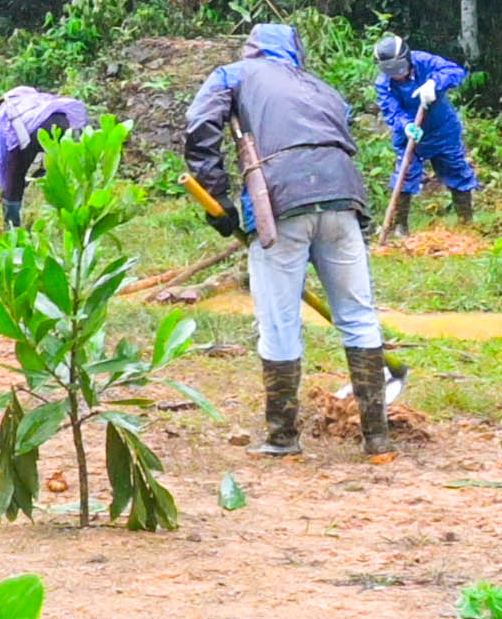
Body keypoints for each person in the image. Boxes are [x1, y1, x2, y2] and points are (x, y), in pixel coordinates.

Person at [184, 24, 386, 456]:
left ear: (253, 50)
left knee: (278, 323)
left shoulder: (232, 74)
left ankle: (282, 437)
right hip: (343, 196)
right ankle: (378, 438)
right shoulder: (323, 88)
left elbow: (201, 125)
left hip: (279, 199)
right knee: (358, 314)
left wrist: (217, 199)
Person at [370, 33, 478, 231]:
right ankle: (399, 227)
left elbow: (456, 72)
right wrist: (406, 126)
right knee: (405, 175)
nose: (396, 74)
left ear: (407, 58)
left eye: (398, 67)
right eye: (389, 69)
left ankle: (466, 223)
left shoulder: (424, 62)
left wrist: (434, 83)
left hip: (441, 129)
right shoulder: (384, 83)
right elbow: (391, 110)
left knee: (455, 169)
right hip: (410, 134)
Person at [0, 85, 93, 230]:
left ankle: (12, 227)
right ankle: (75, 222)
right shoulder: (38, 99)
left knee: (15, 180)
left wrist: (5, 187)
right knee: (68, 174)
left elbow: (0, 157)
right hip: (65, 126)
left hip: (32, 132)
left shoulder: (5, 109)